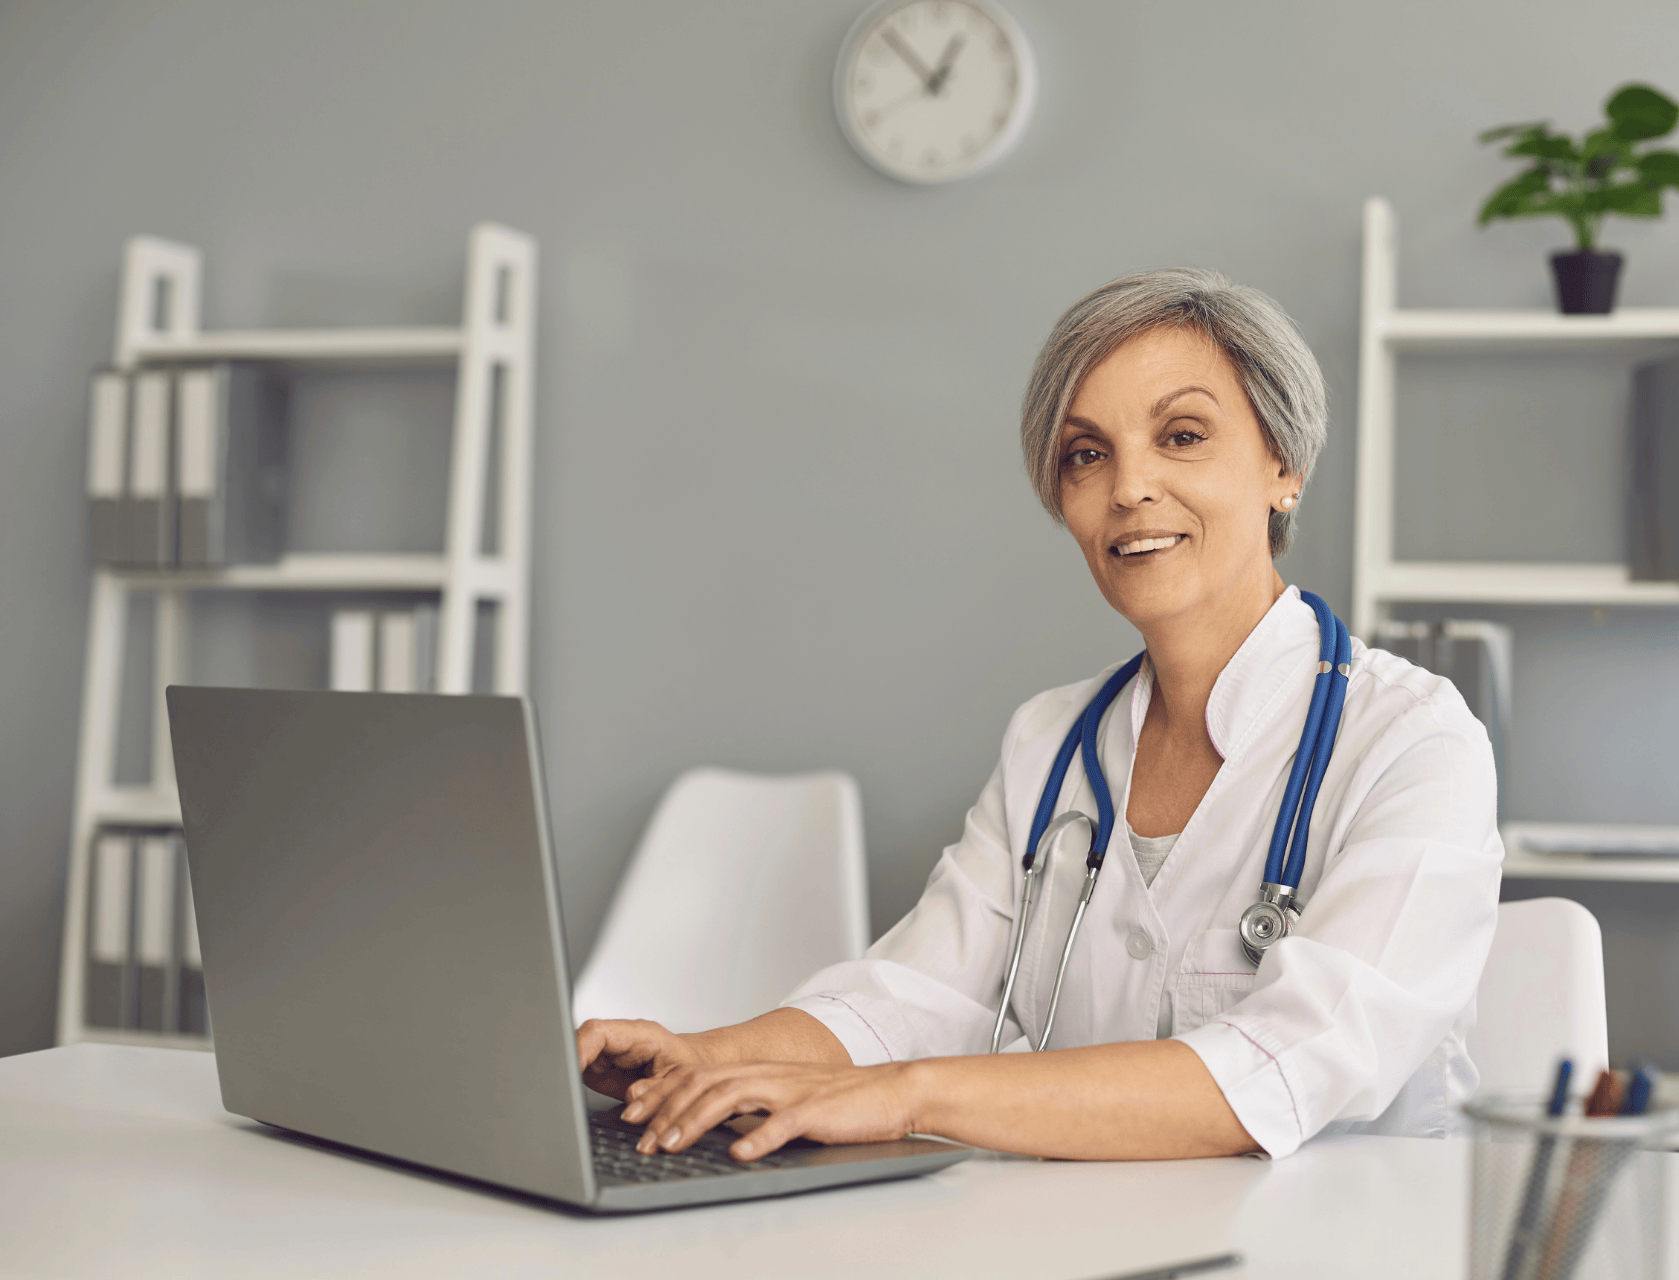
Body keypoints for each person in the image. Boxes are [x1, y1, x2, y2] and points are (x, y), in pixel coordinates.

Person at [576, 268, 1502, 1163]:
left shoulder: (1412, 743)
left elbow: (1280, 1066)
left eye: (1181, 436)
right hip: (1089, 1239)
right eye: (1086, 453)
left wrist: (909, 1096)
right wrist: (712, 1056)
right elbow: (919, 988)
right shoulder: (1053, 741)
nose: (1129, 487)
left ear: (1283, 468)